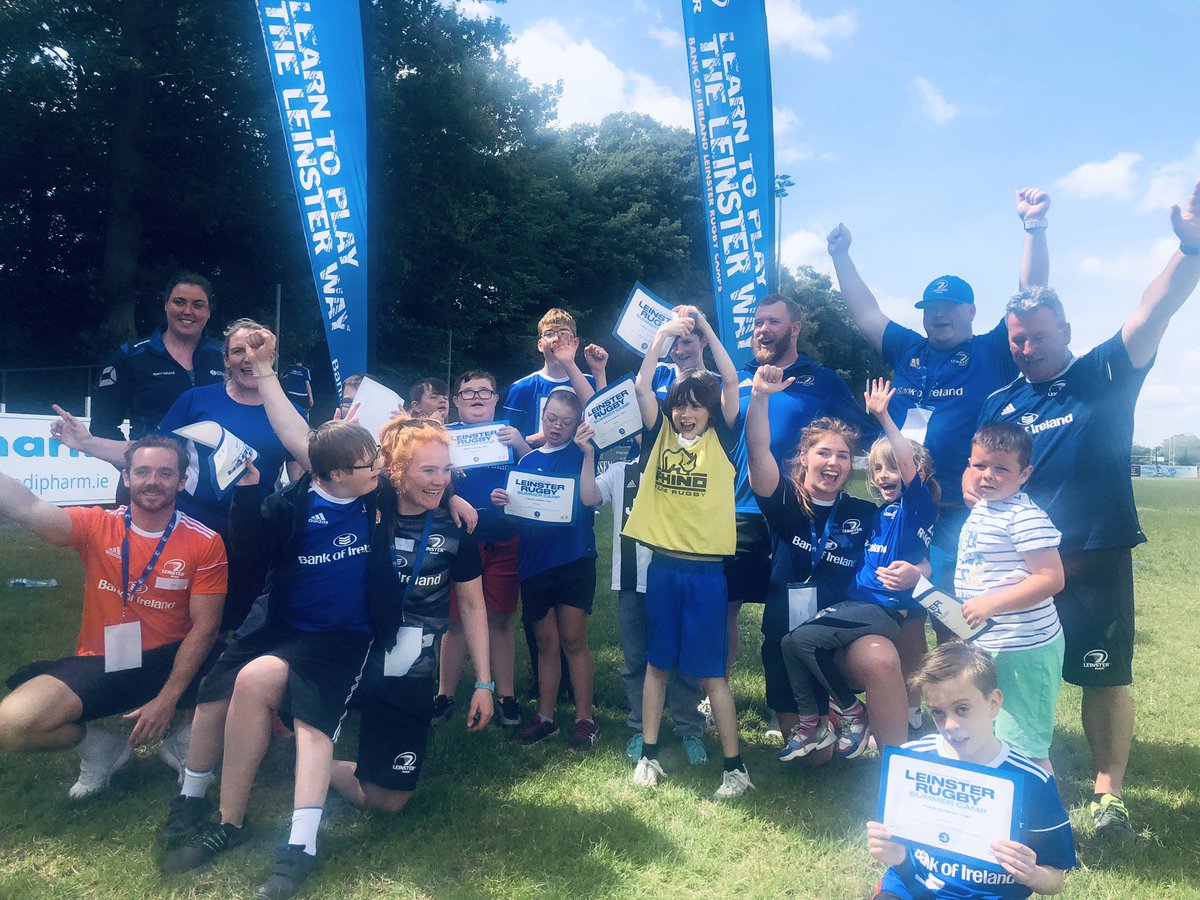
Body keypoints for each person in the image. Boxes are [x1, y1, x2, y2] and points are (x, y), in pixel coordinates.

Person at [976, 178, 1200, 840]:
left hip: (1095, 557)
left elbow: (1150, 311)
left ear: (1065, 331)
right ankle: (1017, 780)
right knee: (1013, 679)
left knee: (1103, 679)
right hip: (1022, 568)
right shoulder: (1001, 404)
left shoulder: (1104, 373)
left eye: (1038, 336)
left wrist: (1189, 249)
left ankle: (1108, 798)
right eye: (1017, 339)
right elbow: (986, 480)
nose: (1026, 348)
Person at [158, 424, 388, 898]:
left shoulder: (376, 498)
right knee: (227, 686)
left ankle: (300, 848)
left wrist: (455, 501)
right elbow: (252, 546)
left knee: (311, 724)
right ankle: (224, 818)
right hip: (280, 623)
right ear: (337, 473)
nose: (381, 467)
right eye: (372, 462)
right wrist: (245, 493)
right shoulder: (293, 503)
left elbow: (429, 487)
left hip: (343, 636)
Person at [826, 190, 1050, 594]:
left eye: (949, 305)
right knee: (901, 604)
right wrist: (841, 257)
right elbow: (866, 313)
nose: (938, 313)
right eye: (930, 306)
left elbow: (1028, 297)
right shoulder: (907, 348)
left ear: (971, 311)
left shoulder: (991, 351)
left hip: (959, 510)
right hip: (903, 506)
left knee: (955, 608)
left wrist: (1033, 226)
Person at [0, 436, 226, 798]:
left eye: (166, 473)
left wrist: (166, 700)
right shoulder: (96, 524)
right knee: (12, 724)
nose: (153, 481)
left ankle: (185, 746)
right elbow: (28, 506)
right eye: (143, 471)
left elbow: (206, 627)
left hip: (171, 657)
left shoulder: (205, 541)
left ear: (182, 482)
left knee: (246, 682)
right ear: (126, 477)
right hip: (104, 660)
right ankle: (103, 750)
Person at [52, 319, 303, 629]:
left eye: (257, 350)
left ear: (270, 356)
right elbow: (151, 454)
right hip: (193, 526)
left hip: (253, 532)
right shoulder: (196, 400)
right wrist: (87, 444)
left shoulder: (291, 414)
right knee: (177, 622)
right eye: (238, 350)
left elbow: (302, 479)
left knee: (240, 624)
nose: (248, 358)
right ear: (225, 359)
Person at [330, 417, 494, 814]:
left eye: (446, 470)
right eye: (429, 470)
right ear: (398, 471)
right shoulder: (363, 510)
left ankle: (317, 765)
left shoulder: (457, 526)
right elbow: (318, 471)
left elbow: (472, 606)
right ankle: (302, 743)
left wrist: (484, 684)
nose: (439, 480)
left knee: (388, 802)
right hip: (349, 651)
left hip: (410, 666)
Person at [722, 295, 878, 694]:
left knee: (798, 609)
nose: (762, 330)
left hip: (798, 516)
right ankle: (716, 696)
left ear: (795, 328)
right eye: (757, 322)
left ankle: (796, 700)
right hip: (740, 512)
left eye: (772, 322)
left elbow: (862, 430)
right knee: (724, 609)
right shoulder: (738, 379)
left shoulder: (823, 380)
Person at [776, 378, 938, 762]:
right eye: (878, 468)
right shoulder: (878, 513)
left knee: (800, 641)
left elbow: (921, 555)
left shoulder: (914, 506)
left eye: (895, 468)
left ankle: (852, 713)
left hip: (877, 610)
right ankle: (812, 723)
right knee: (790, 642)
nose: (884, 475)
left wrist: (883, 417)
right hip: (857, 607)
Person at [623, 310, 749, 797]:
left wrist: (705, 331)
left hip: (707, 575)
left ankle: (735, 768)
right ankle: (650, 756)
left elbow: (733, 379)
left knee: (711, 673)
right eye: (681, 405)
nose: (687, 413)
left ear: (711, 410)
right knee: (657, 665)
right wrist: (662, 337)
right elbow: (640, 386)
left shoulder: (723, 436)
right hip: (664, 569)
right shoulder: (661, 436)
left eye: (697, 405)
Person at [745, 399, 906, 756]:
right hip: (786, 645)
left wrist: (921, 570)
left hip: (838, 644)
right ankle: (832, 716)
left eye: (843, 456)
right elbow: (757, 450)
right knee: (817, 760)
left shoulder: (864, 513)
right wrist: (758, 396)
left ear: (851, 465)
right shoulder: (784, 500)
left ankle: (898, 770)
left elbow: (907, 541)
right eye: (823, 453)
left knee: (880, 657)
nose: (833, 463)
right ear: (803, 456)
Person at [867, 642, 1075, 899]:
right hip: (910, 887)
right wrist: (895, 854)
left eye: (962, 709)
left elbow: (1055, 878)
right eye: (938, 713)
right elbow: (900, 845)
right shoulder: (914, 760)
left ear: (993, 703)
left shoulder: (1032, 781)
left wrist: (1032, 874)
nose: (951, 725)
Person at [501, 308, 607, 699]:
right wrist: (510, 488)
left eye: (566, 333)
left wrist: (581, 369)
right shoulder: (524, 387)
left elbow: (598, 413)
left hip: (574, 546)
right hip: (535, 529)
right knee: (543, 633)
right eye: (551, 334)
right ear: (539, 341)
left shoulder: (584, 439)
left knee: (572, 635)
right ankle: (545, 700)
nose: (558, 339)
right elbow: (510, 442)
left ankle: (581, 710)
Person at [491, 391, 602, 750]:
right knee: (546, 643)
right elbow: (516, 520)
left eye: (566, 422)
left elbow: (590, 496)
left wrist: (587, 452)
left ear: (577, 424)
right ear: (543, 415)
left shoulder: (585, 454)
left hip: (574, 559)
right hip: (535, 564)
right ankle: (546, 716)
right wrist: (503, 503)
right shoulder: (527, 461)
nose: (557, 427)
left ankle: (585, 719)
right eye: (552, 419)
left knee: (573, 638)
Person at [956, 423, 1064, 773]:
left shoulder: (1024, 516)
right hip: (990, 644)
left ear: (1024, 474)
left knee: (1026, 743)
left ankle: (1043, 820)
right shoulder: (985, 508)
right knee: (995, 733)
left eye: (1001, 468)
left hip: (1025, 649)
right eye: (980, 466)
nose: (987, 476)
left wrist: (990, 604)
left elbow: (1052, 578)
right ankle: (1000, 812)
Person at [595, 442, 708, 766]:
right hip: (633, 581)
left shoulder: (683, 471)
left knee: (684, 659)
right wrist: (589, 452)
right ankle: (640, 726)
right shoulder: (622, 471)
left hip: (677, 577)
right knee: (636, 659)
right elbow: (590, 497)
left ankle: (690, 728)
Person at [435, 371, 525, 728]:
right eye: (467, 392)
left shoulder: (511, 436)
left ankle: (505, 695)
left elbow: (540, 483)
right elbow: (426, 482)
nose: (476, 398)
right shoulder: (443, 440)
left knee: (501, 619)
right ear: (456, 400)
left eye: (484, 392)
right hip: (459, 541)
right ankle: (444, 694)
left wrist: (521, 445)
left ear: (495, 399)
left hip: (503, 538)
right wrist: (451, 491)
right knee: (455, 623)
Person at [90, 272, 225, 444]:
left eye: (198, 305)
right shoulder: (131, 356)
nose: (187, 311)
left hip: (215, 469)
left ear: (209, 312)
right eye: (179, 302)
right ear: (166, 305)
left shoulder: (226, 356)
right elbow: (102, 425)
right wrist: (135, 463)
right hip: (155, 468)